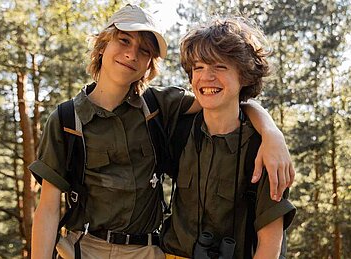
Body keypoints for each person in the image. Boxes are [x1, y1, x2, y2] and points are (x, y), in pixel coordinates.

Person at [29, 5, 294, 259]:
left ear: (150, 64)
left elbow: (224, 98)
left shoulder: (159, 108)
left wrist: (271, 133)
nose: (132, 54)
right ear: (102, 46)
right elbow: (48, 209)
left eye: (144, 50)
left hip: (148, 251)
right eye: (123, 41)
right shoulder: (66, 120)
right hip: (85, 249)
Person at [161, 17, 296, 259]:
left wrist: (270, 133)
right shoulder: (178, 130)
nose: (206, 77)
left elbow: (270, 245)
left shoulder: (263, 149)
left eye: (219, 67)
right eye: (198, 67)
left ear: (244, 75)